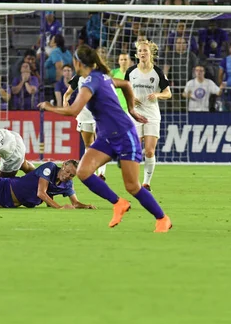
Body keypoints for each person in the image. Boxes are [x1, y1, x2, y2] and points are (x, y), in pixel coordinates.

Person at [38, 44, 172, 232]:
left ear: (77, 63)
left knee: (132, 186)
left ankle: (162, 218)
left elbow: (73, 110)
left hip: (125, 135)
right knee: (83, 172)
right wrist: (132, 109)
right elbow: (125, 84)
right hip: (106, 137)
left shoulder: (91, 81)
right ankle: (118, 203)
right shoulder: (101, 77)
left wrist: (48, 106)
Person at [124, 39, 171, 191]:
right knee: (135, 150)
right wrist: (131, 98)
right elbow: (125, 89)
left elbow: (168, 93)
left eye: (145, 50)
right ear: (137, 55)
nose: (143, 53)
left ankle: (146, 182)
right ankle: (135, 181)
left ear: (150, 53)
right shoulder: (131, 72)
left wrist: (157, 95)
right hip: (135, 113)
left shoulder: (157, 72)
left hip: (151, 114)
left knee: (150, 150)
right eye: (140, 51)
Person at [63, 73, 107, 180]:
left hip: (99, 113)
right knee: (88, 144)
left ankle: (101, 173)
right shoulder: (78, 77)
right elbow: (68, 93)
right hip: (84, 115)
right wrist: (65, 101)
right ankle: (91, 171)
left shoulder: (100, 76)